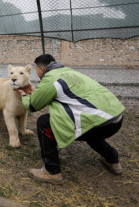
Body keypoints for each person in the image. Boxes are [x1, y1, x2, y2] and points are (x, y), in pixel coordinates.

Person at [15, 54, 125, 184]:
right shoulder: (69, 72)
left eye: (37, 70)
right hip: (116, 117)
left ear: (42, 69)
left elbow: (32, 106)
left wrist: (24, 95)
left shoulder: (50, 79)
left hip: (98, 123)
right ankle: (113, 160)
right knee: (89, 129)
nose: (37, 73)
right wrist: (36, 92)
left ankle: (51, 171)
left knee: (44, 122)